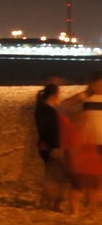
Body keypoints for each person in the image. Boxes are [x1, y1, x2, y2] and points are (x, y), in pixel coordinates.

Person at [60, 74, 102, 215]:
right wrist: (75, 117)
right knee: (82, 178)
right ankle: (76, 209)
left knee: (98, 178)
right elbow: (63, 106)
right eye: (98, 83)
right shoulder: (85, 96)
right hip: (87, 141)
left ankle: (94, 209)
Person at [33, 82, 70, 211]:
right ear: (54, 95)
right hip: (50, 147)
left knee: (50, 174)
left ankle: (46, 202)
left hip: (43, 146)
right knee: (58, 176)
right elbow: (51, 131)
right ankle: (53, 203)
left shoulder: (40, 109)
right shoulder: (49, 111)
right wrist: (55, 147)